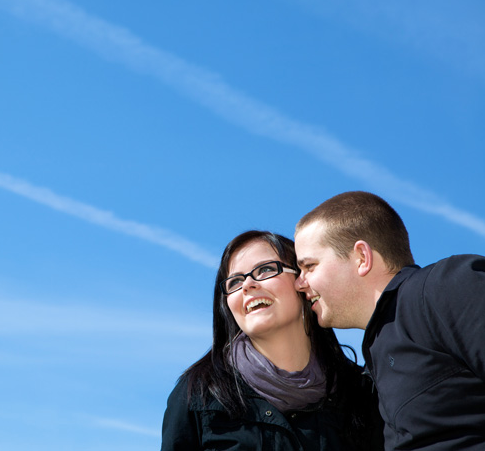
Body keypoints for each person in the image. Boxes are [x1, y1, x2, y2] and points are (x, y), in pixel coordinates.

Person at [293, 191, 485, 450]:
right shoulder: (377, 356)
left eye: (309, 266)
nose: (299, 283)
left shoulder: (442, 288)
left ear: (362, 257)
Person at [161, 230, 383, 451]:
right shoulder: (196, 395)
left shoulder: (364, 394)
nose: (248, 285)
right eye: (235, 281)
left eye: (265, 269)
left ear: (303, 283)